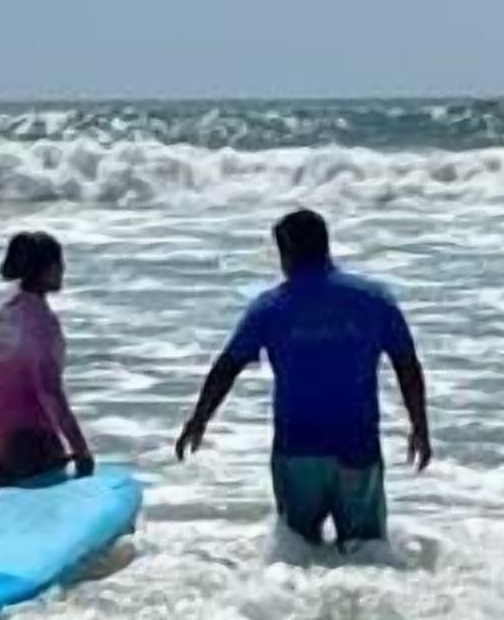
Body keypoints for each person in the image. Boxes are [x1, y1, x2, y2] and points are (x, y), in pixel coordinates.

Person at [176, 205, 430, 550]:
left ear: (286, 253)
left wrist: (199, 420)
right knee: (366, 551)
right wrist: (420, 427)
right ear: (326, 246)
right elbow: (407, 365)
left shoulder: (270, 307)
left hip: (297, 449)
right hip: (357, 446)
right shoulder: (374, 299)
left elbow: (228, 367)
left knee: (298, 551)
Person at [0, 229, 94, 490]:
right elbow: (50, 392)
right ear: (47, 269)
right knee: (51, 521)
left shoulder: (5, 313)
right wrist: (81, 450)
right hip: (27, 445)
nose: (63, 269)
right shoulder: (43, 322)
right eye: (59, 263)